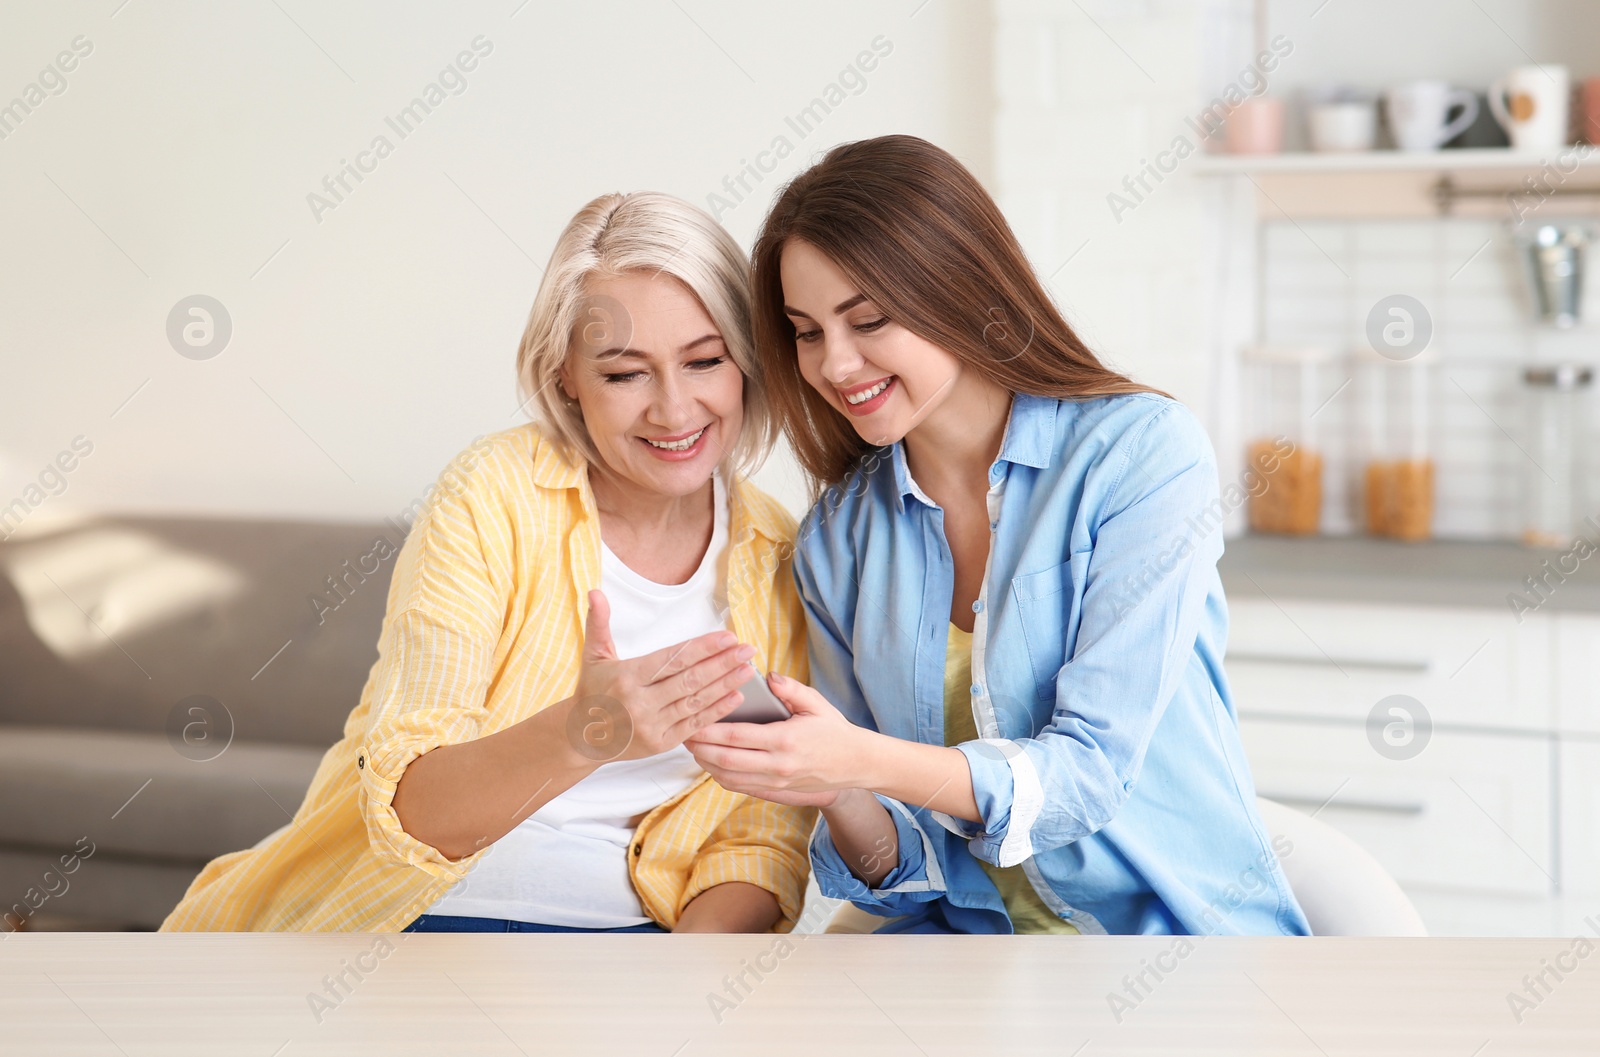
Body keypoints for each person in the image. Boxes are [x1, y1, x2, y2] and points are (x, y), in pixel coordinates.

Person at [686, 136, 1310, 936]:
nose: (836, 364)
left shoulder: (1140, 456)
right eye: (806, 332)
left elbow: (1088, 773)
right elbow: (899, 872)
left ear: (960, 288)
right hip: (971, 960)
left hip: (1170, 946)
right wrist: (828, 781)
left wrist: (862, 759)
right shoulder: (839, 541)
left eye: (868, 319)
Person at [162, 192, 814, 933]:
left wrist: (678, 995)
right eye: (625, 374)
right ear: (565, 373)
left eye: (704, 360)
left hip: (630, 949)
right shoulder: (491, 494)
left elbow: (758, 840)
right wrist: (585, 731)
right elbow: (411, 808)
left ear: (748, 360)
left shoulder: (780, 552)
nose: (673, 409)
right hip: (415, 917)